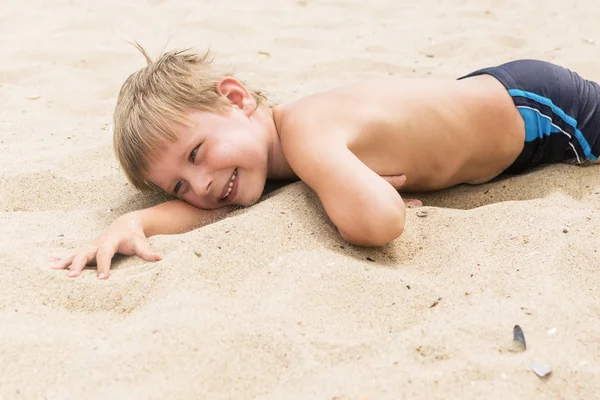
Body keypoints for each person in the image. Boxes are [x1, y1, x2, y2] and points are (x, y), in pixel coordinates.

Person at [50, 46, 600, 279]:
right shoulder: (265, 157)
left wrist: (339, 186)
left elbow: (380, 223)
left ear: (237, 100)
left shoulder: (307, 135)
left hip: (539, 115)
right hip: (487, 101)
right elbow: (214, 206)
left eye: (196, 155)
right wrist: (137, 222)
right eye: (177, 184)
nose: (202, 184)